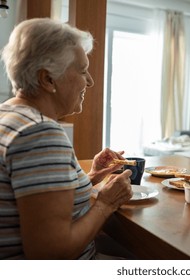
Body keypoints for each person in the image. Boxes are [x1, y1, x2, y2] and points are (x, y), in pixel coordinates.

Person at [0, 18, 133, 259]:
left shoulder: (8, 115)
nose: (90, 81)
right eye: (82, 70)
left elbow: (33, 196)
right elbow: (49, 254)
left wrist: (92, 177)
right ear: (48, 79)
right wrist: (106, 204)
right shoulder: (39, 133)